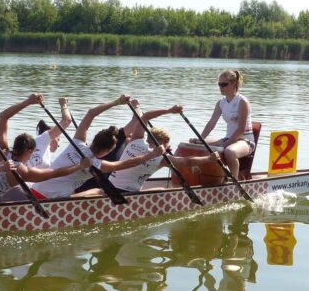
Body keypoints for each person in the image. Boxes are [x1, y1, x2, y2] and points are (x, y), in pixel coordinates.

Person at [13, 95, 166, 201]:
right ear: (109, 150)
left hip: (33, 191)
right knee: (99, 192)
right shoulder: (97, 164)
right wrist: (150, 156)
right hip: (51, 201)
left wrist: (117, 101)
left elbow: (91, 113)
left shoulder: (77, 142)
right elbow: (124, 164)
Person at [0, 95, 90, 207]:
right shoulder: (22, 171)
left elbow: (3, 116)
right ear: (30, 151)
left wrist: (28, 101)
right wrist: (79, 166)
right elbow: (55, 173)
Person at [80, 123, 222, 195]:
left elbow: (143, 119)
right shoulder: (162, 159)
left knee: (100, 191)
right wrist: (208, 159)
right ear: (164, 141)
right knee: (161, 189)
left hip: (108, 186)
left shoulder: (135, 141)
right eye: (168, 143)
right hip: (127, 194)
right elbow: (187, 161)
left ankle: (67, 199)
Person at [199, 69, 254, 180]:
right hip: (229, 139)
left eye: (224, 84)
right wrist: (201, 138)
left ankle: (234, 181)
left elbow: (241, 130)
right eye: (219, 84)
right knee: (201, 145)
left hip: (245, 141)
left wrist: (226, 144)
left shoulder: (242, 101)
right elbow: (211, 123)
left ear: (234, 84)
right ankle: (209, 178)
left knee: (229, 152)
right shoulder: (221, 103)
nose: (221, 87)